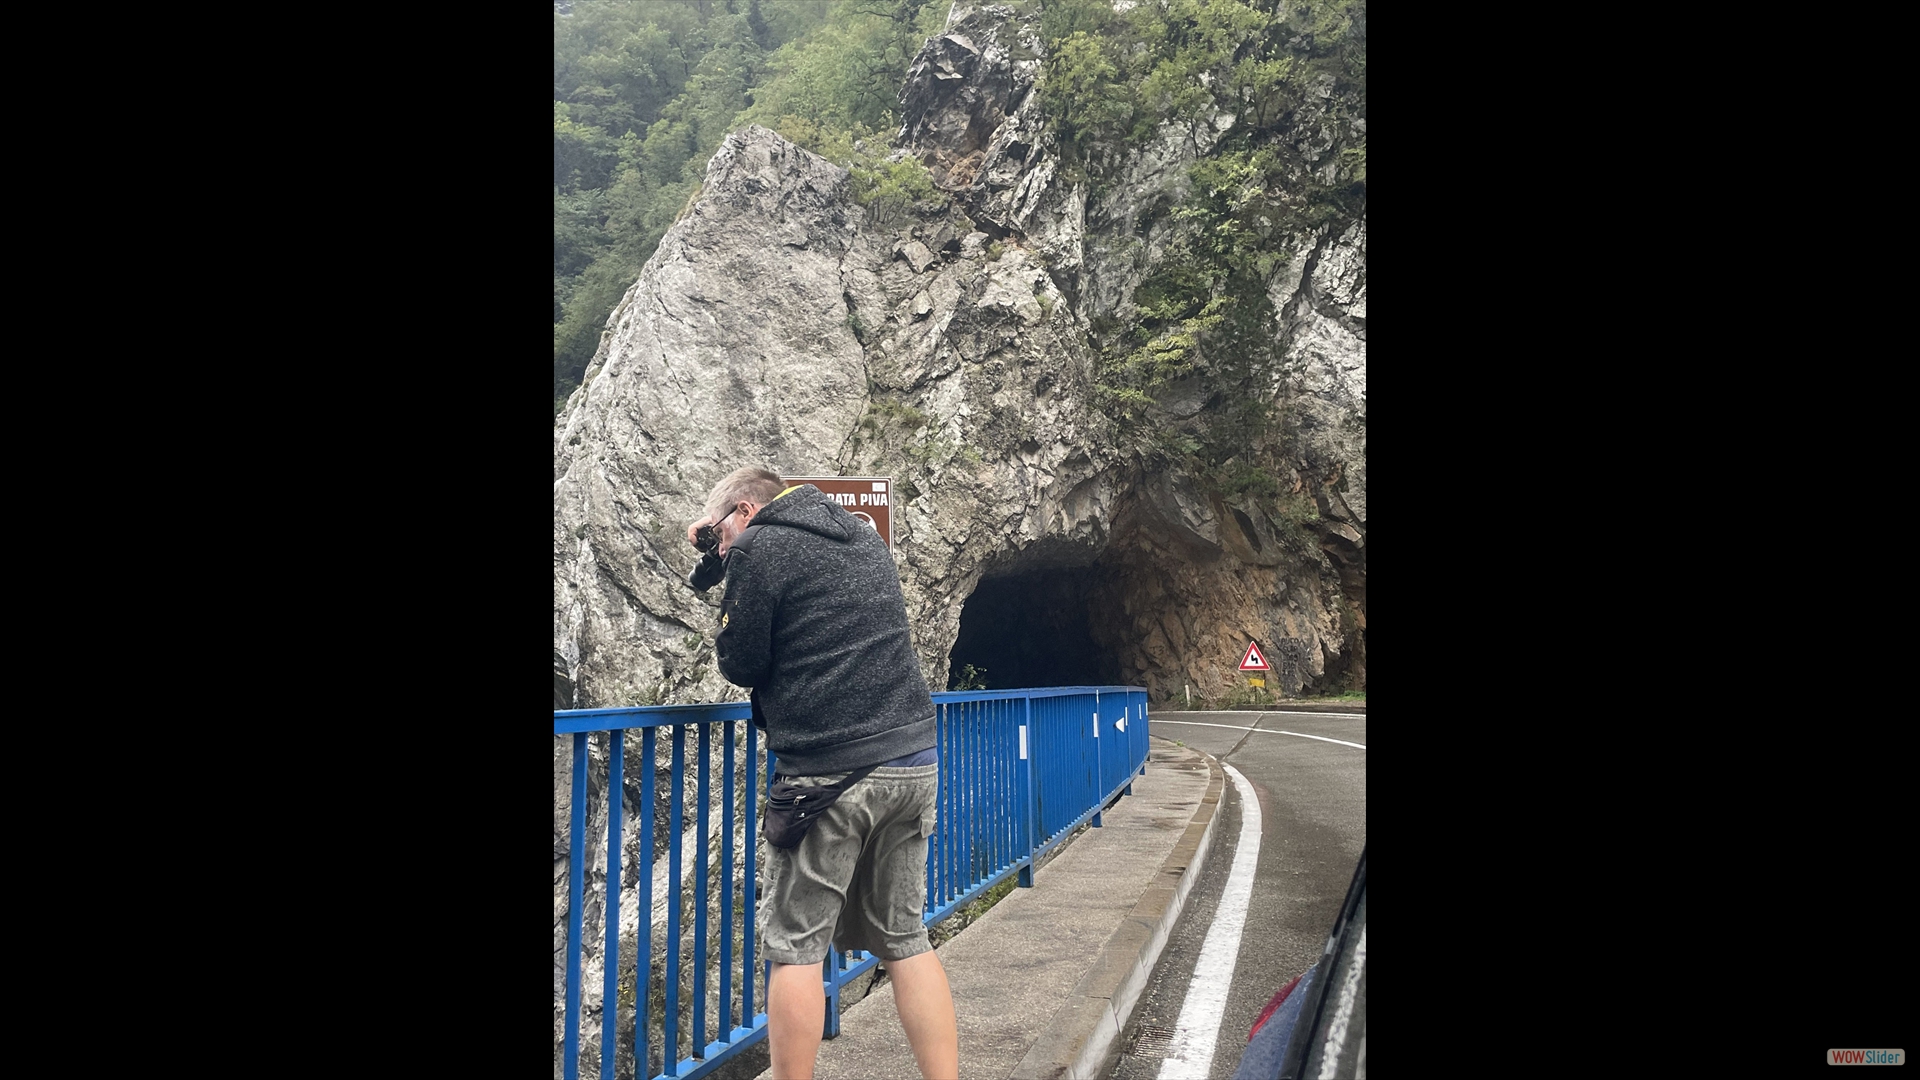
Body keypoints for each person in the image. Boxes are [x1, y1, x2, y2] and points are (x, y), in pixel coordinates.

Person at [686, 467, 958, 1080]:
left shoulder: (759, 549)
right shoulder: (859, 534)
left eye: (722, 535)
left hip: (828, 775)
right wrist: (717, 551)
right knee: (905, 938)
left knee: (795, 948)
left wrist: (731, 562)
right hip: (912, 759)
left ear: (746, 510)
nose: (723, 548)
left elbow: (742, 661)